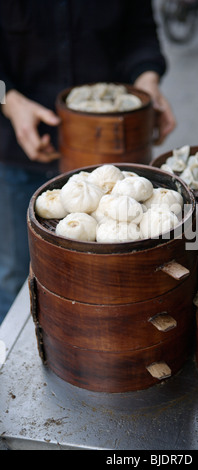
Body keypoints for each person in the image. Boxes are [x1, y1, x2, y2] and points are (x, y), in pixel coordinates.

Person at [0, 0, 176, 323]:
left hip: (113, 160)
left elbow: (140, 33)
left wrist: (146, 82)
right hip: (21, 152)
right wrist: (8, 100)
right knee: (15, 273)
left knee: (113, 273)